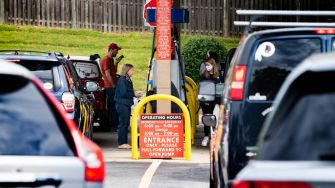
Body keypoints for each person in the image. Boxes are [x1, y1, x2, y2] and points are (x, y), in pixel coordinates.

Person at [114, 64, 141, 149]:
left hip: (126, 104)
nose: (132, 72)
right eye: (131, 70)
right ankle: (121, 143)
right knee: (123, 123)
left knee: (125, 123)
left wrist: (134, 94)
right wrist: (134, 94)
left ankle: (124, 142)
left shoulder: (127, 80)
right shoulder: (122, 80)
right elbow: (123, 93)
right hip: (122, 104)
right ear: (127, 70)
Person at [100, 43, 123, 132]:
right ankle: (114, 127)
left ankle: (114, 126)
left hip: (111, 86)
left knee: (114, 106)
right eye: (116, 50)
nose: (117, 52)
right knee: (113, 107)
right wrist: (113, 85)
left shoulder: (111, 60)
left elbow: (114, 71)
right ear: (111, 50)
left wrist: (117, 62)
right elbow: (107, 73)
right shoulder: (106, 59)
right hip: (109, 87)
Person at [199, 54, 221, 147]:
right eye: (206, 65)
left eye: (208, 65)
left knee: (215, 118)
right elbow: (202, 87)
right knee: (207, 117)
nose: (207, 67)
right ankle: (206, 136)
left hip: (215, 101)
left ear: (213, 65)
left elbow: (220, 88)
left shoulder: (218, 76)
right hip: (206, 100)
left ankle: (214, 135)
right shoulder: (204, 75)